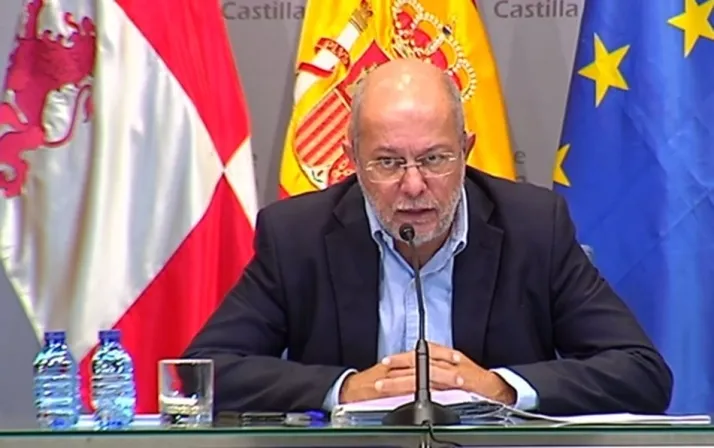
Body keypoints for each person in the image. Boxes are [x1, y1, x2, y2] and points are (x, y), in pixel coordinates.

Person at [183, 59, 673, 416]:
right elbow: (205, 371)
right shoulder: (298, 235)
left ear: (466, 149)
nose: (414, 185)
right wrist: (347, 390)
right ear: (353, 160)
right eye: (388, 162)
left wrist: (499, 388)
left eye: (435, 159)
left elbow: (641, 372)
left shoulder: (533, 227)